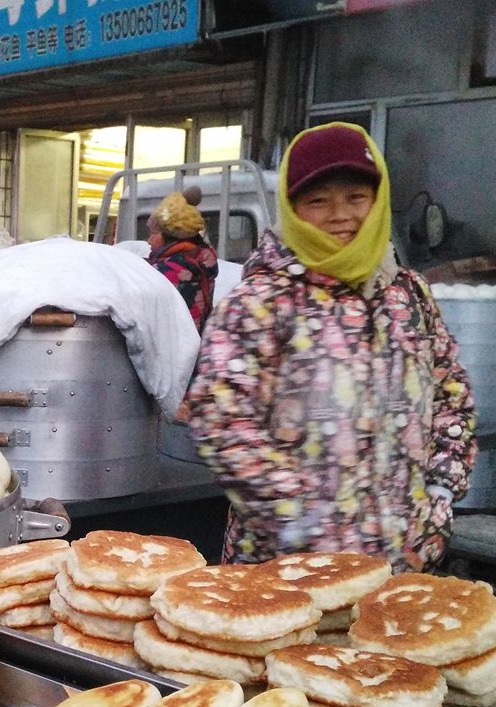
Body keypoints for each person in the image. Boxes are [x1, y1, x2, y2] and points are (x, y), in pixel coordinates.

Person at [185, 123, 476, 573]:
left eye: (356, 198)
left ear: (378, 203)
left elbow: (452, 398)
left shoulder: (409, 295)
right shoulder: (261, 303)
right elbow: (222, 418)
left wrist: (438, 498)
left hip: (402, 563)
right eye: (318, 201)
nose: (341, 215)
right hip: (285, 574)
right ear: (293, 209)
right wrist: (304, 523)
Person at [146, 187, 219, 330]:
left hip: (175, 349)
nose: (148, 241)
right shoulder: (200, 259)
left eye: (154, 234)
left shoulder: (168, 272)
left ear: (172, 238)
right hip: (197, 341)